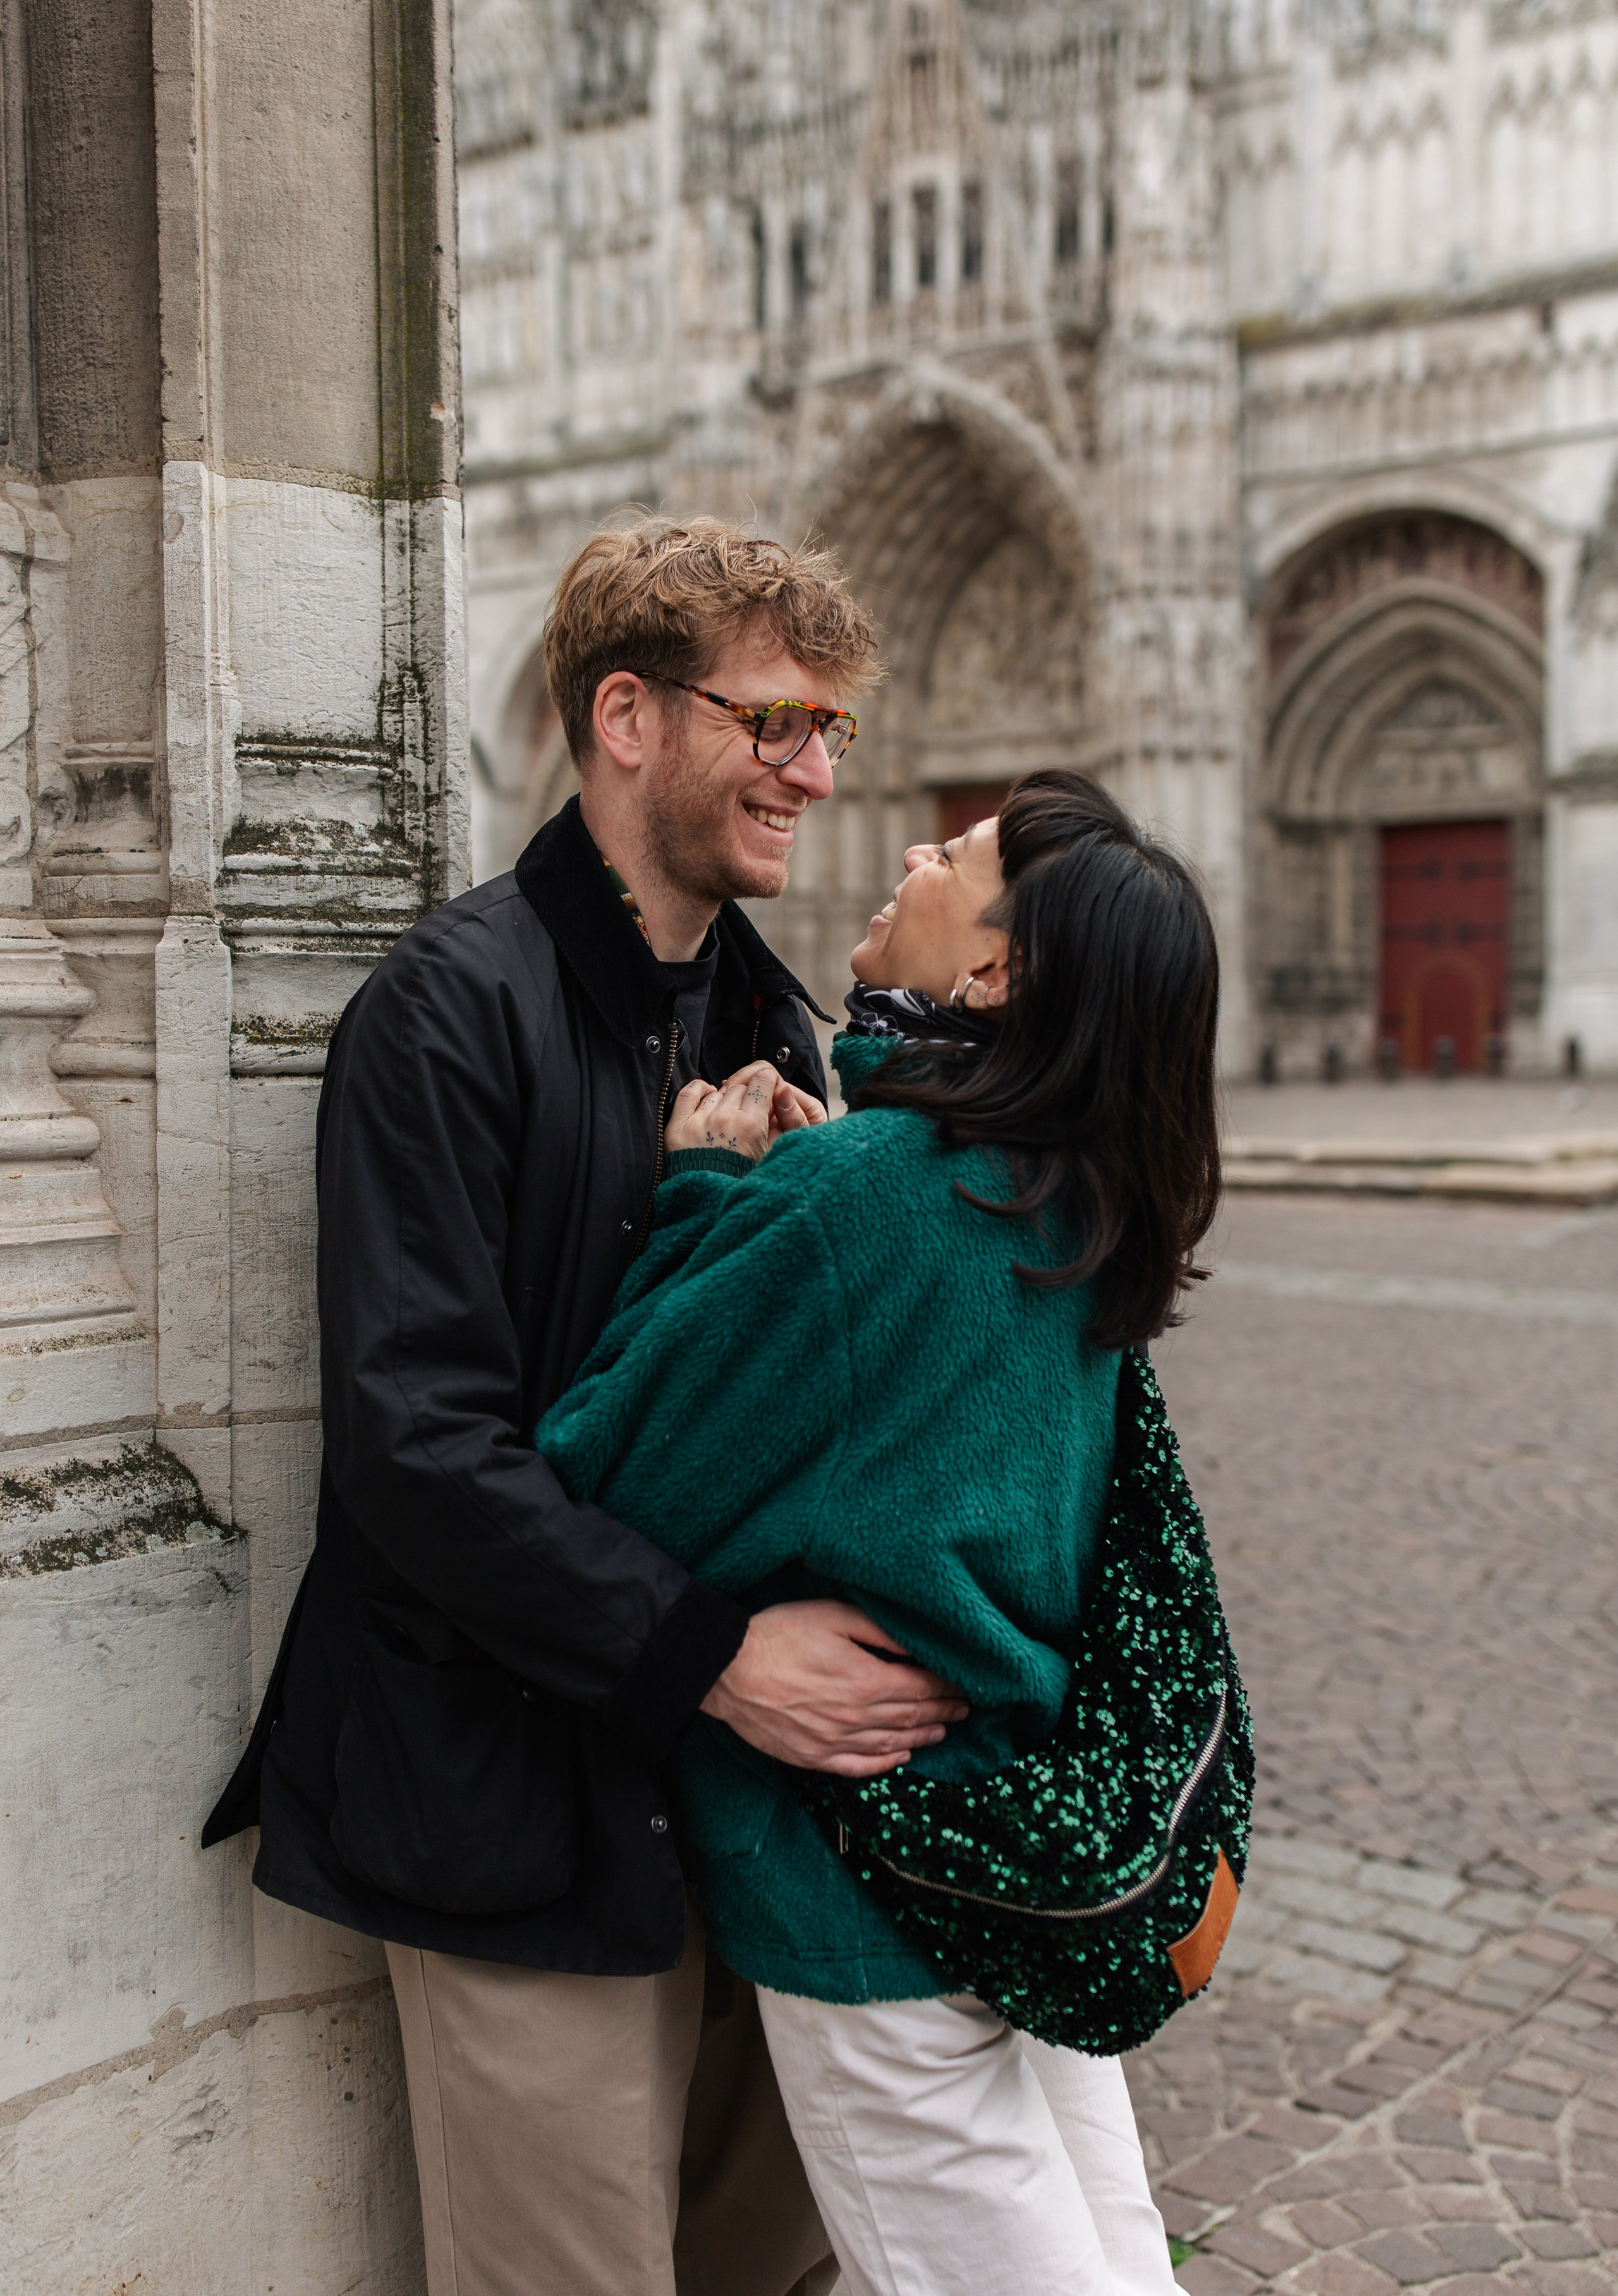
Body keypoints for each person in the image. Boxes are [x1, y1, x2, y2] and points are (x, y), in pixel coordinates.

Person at [201, 517, 972, 2296]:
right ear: (627, 718)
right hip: (510, 1797)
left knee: (775, 2270)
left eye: (831, 730)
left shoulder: (780, 1022)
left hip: (747, 1819)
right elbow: (419, 1452)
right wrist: (718, 1654)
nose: (816, 768)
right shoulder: (446, 1009)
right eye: (775, 719)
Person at [531, 769, 1223, 2296]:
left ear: (995, 972)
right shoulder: (1082, 1188)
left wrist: (707, 1194)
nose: (909, 848)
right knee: (1115, 2263)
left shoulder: (873, 1195)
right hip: (1023, 1835)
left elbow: (600, 1464)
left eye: (955, 855)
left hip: (864, 1870)